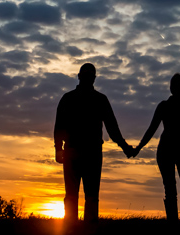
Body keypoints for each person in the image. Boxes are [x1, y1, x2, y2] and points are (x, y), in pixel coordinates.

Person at [54, 63, 133, 223]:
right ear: (93, 79)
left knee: (75, 195)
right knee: (89, 196)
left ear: (79, 76)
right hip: (89, 154)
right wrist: (125, 147)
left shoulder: (69, 98)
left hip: (77, 152)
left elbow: (59, 127)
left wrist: (59, 149)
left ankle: (73, 230)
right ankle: (84, 231)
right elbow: (112, 128)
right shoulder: (99, 99)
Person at [133, 73, 180, 222]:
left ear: (171, 88)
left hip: (166, 150)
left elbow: (151, 130)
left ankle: (173, 224)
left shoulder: (164, 106)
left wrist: (138, 148)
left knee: (170, 190)